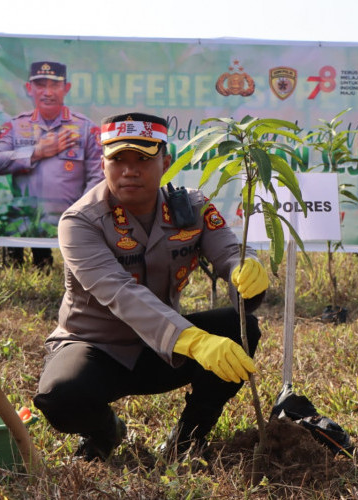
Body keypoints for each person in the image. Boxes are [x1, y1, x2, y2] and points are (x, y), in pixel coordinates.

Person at [33, 112, 269, 461]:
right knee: (60, 396)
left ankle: (188, 440)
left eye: (143, 158)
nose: (130, 170)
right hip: (97, 349)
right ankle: (104, 432)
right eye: (118, 159)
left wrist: (246, 270)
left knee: (241, 328)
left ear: (166, 162)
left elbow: (231, 252)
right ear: (103, 163)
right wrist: (193, 340)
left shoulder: (192, 206)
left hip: (161, 350)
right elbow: (120, 293)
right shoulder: (80, 222)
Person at [0, 61, 103, 269]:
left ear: (66, 88)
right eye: (40, 85)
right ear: (29, 89)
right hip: (21, 224)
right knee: (14, 276)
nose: (47, 92)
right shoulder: (15, 126)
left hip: (68, 221)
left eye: (54, 85)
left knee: (62, 276)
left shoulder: (85, 128)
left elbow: (98, 175)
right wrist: (36, 152)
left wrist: (80, 214)